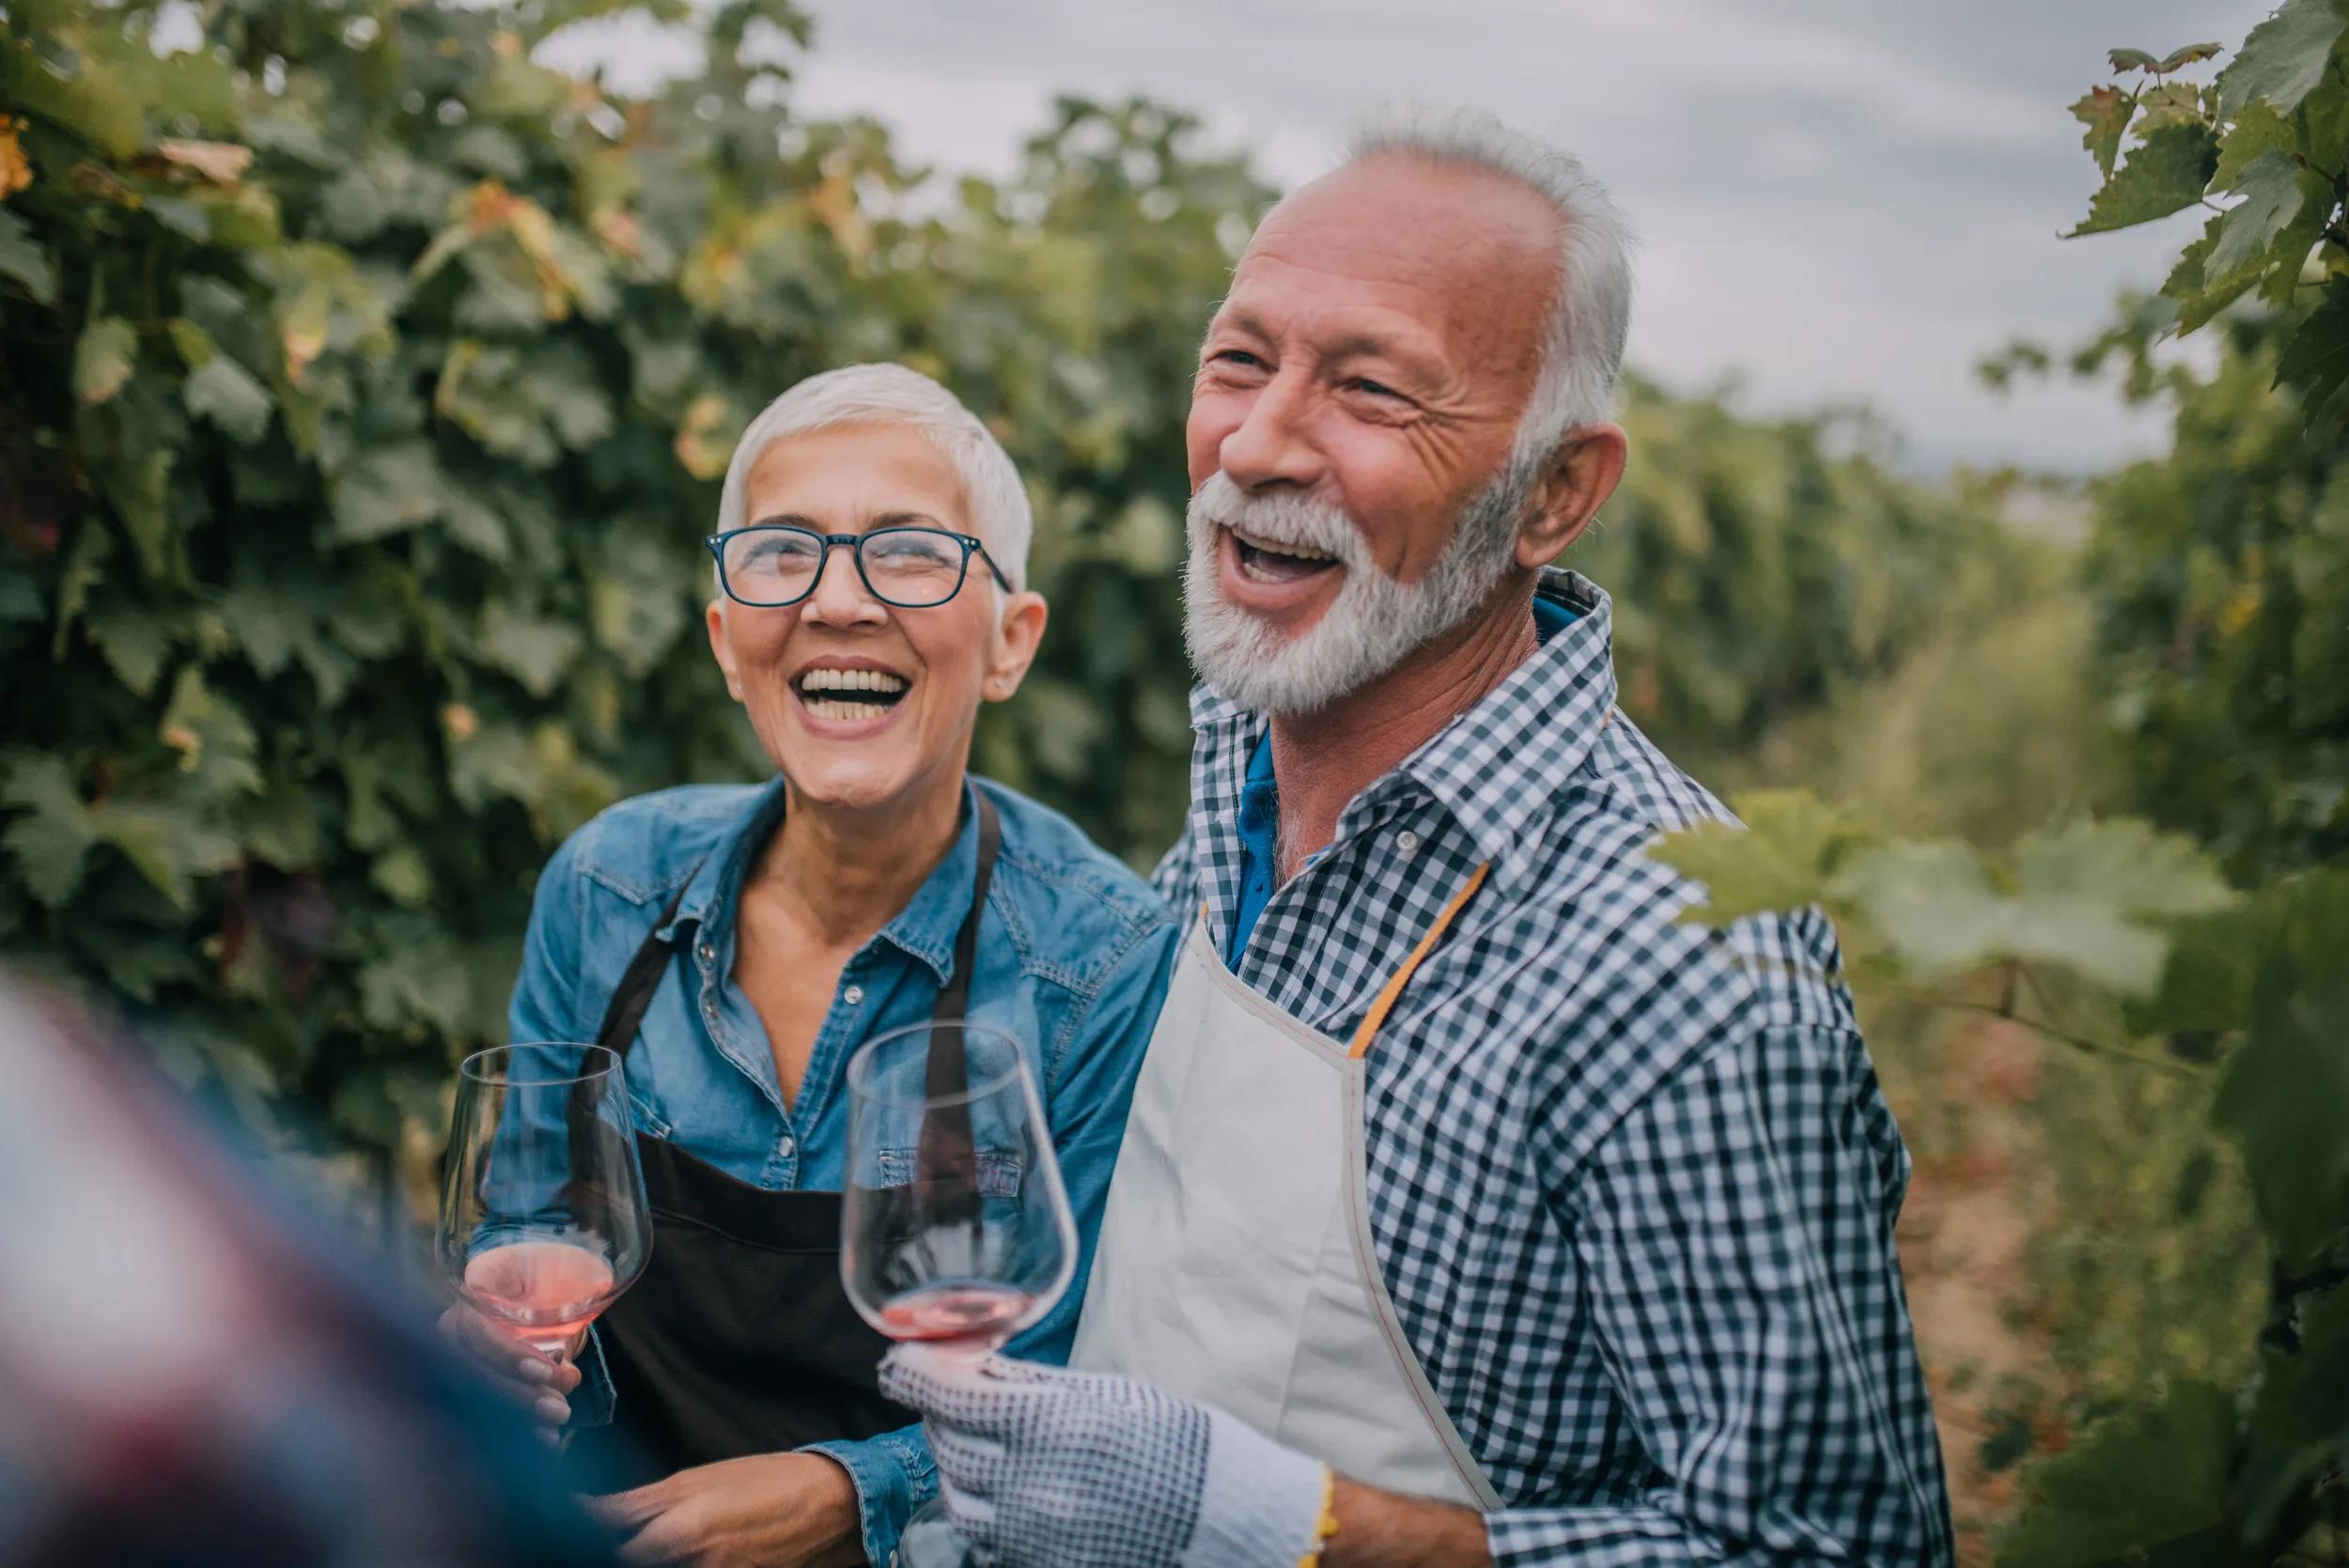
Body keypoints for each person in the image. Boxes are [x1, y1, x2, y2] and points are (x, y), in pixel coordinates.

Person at [879, 107, 1956, 1565]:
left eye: (1373, 392)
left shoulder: (1682, 971)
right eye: (1238, 361)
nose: (1256, 446)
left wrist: (1262, 1521)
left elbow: (1830, 1553)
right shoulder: (1230, 790)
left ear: (1555, 494)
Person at [441, 364, 1177, 1567]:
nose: (838, 601)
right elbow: (534, 1208)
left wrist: (844, 1496)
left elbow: (1079, 1382)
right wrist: (495, 1320)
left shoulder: (1098, 964)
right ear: (730, 638)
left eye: (908, 552)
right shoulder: (605, 887)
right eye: (784, 553)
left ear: (1010, 641)